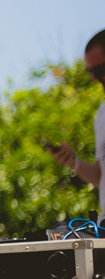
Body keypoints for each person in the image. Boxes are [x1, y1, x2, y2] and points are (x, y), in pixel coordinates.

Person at [48, 29, 105, 212]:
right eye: (90, 72)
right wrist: (74, 162)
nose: (94, 78)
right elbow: (100, 177)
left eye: (100, 70)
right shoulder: (102, 114)